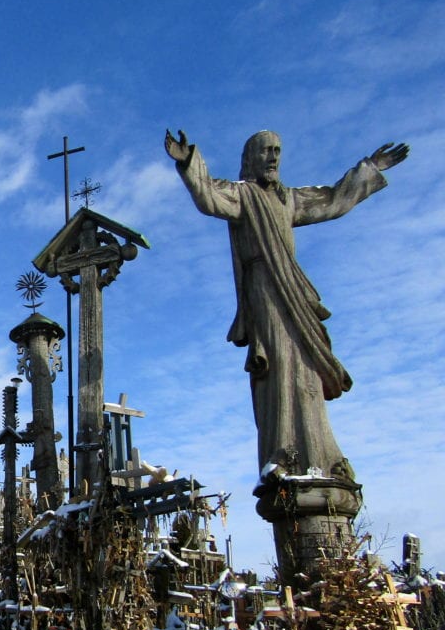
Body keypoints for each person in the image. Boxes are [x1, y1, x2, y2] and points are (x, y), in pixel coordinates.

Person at [164, 129, 407, 480]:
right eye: (266, 151)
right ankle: (282, 452)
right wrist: (190, 161)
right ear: (251, 159)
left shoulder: (289, 199)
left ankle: (319, 451)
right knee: (278, 363)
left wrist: (369, 168)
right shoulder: (242, 195)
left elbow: (334, 201)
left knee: (305, 368)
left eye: (278, 150)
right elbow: (208, 198)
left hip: (293, 288)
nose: (274, 157)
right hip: (265, 286)